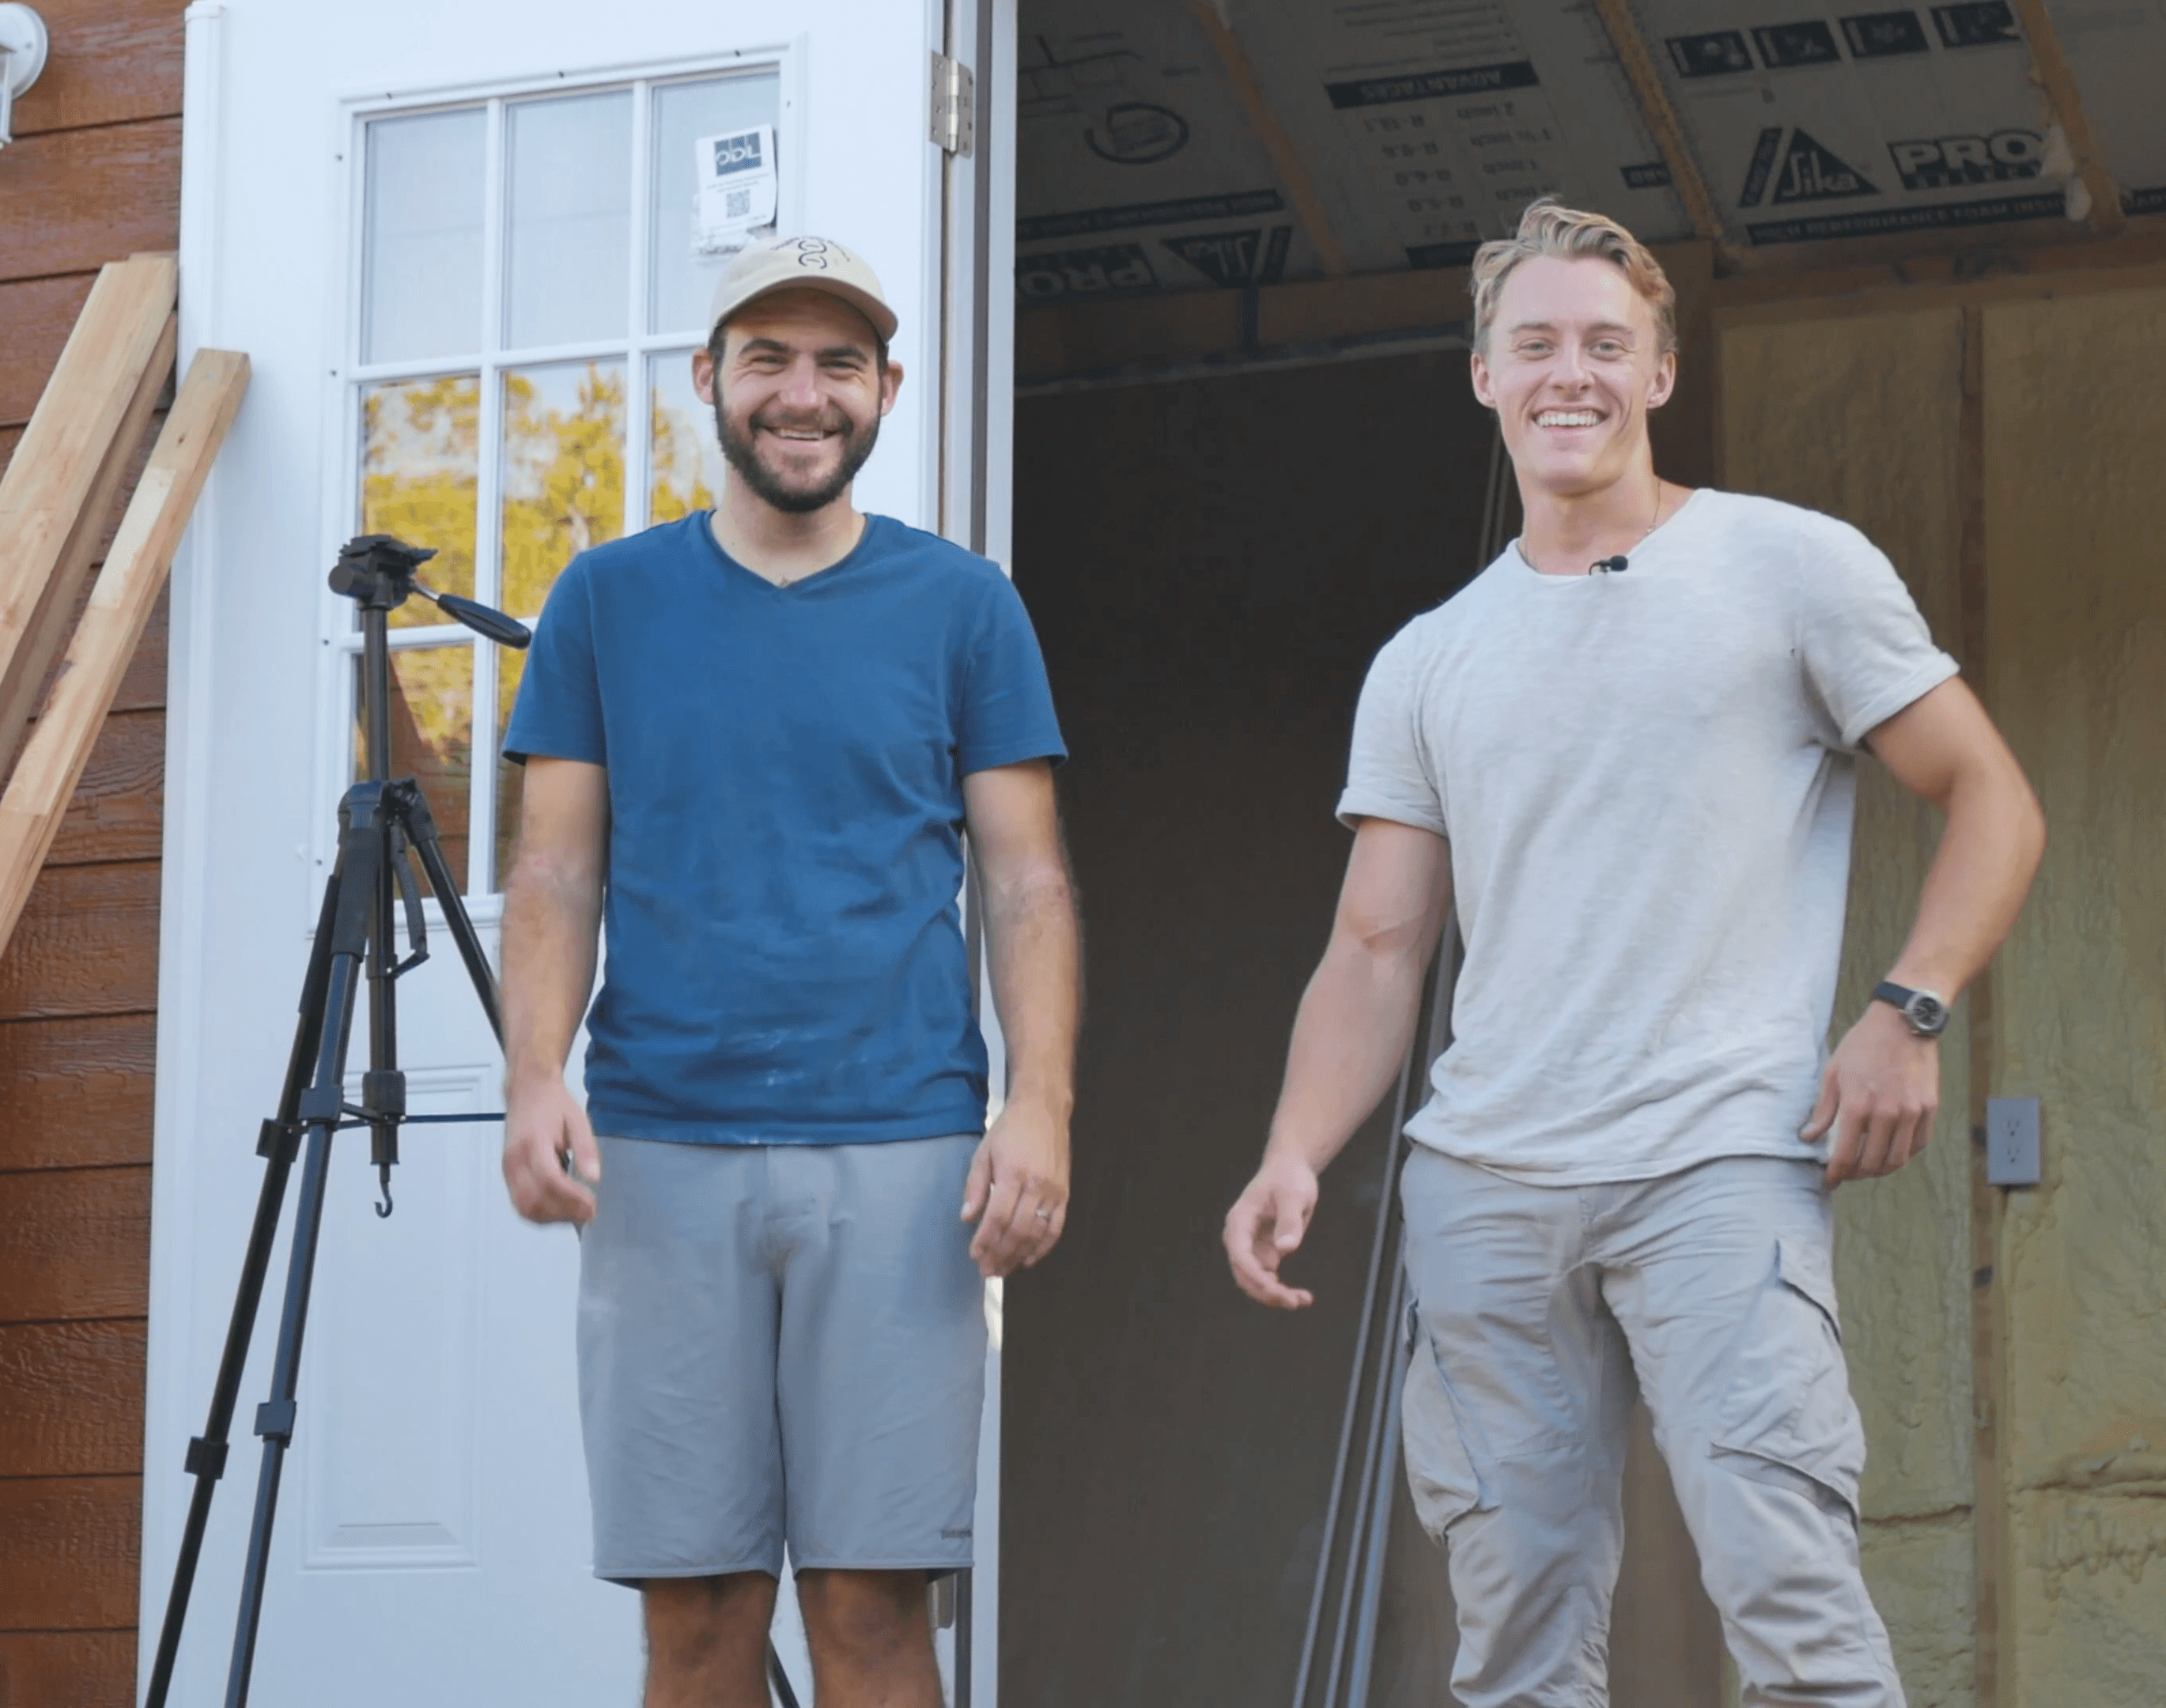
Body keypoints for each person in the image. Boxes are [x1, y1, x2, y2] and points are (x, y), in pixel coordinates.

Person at [1221, 199, 2045, 1706]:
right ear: (1483, 376)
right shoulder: (1428, 657)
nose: (1570, 374)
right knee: (1519, 1643)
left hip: (1720, 1166)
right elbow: (1377, 947)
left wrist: (1904, 1010)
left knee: (1791, 1601)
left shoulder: (1791, 568)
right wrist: (1292, 1148)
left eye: (1608, 343)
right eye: (1533, 344)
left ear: (1662, 372)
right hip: (1486, 1188)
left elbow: (1992, 797)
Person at [496, 233, 1081, 1708]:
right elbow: (555, 867)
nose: (801, 395)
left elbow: (1026, 878)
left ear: (886, 389)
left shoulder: (963, 606)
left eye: (836, 365)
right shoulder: (604, 601)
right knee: (694, 1616)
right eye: (768, 360)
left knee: (874, 1610)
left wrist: (1043, 1105)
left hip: (902, 1149)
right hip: (660, 1145)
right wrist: (531, 1078)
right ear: (710, 380)